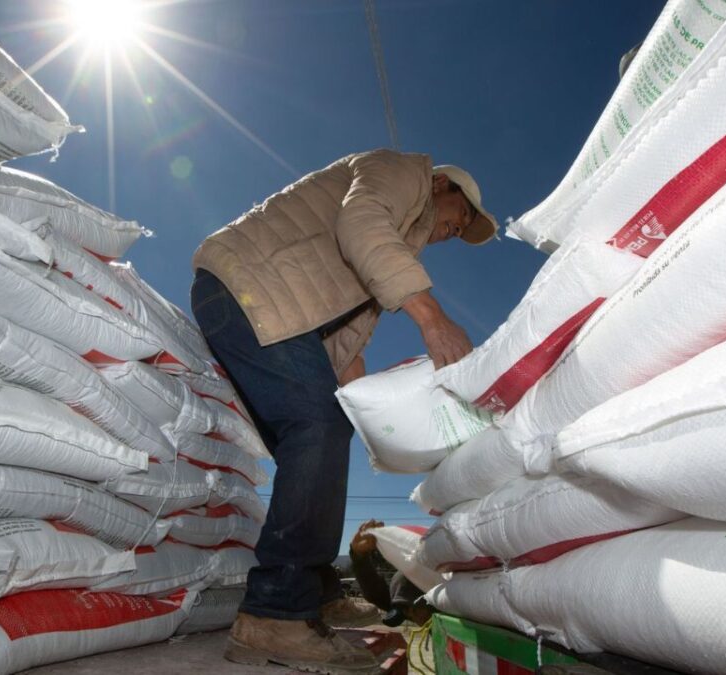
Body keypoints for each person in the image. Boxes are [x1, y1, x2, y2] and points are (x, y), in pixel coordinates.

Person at [189, 148, 496, 674]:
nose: (454, 231)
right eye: (460, 216)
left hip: (277, 305)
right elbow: (360, 222)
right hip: (250, 286)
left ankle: (316, 592)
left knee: (323, 432)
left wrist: (375, 421)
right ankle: (276, 613)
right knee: (315, 426)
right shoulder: (403, 172)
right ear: (442, 184)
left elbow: (345, 347)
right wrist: (432, 318)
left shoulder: (393, 247)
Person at [348, 520, 432, 628]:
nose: (413, 617)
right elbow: (376, 594)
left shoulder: (453, 602)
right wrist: (359, 557)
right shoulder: (415, 609)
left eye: (414, 609)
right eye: (406, 612)